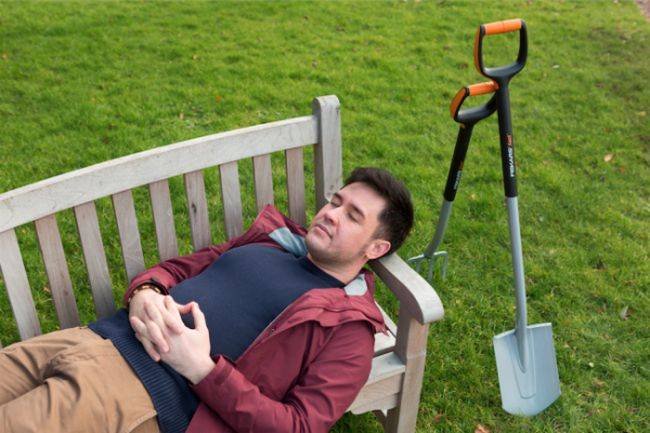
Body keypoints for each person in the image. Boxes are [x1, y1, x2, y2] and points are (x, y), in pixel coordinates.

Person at [0, 167, 414, 433]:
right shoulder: (271, 242)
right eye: (335, 201)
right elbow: (179, 268)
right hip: (95, 338)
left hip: (136, 393)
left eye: (352, 216)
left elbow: (298, 426)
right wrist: (146, 291)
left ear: (376, 248)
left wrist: (201, 369)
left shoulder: (348, 329)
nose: (330, 213)